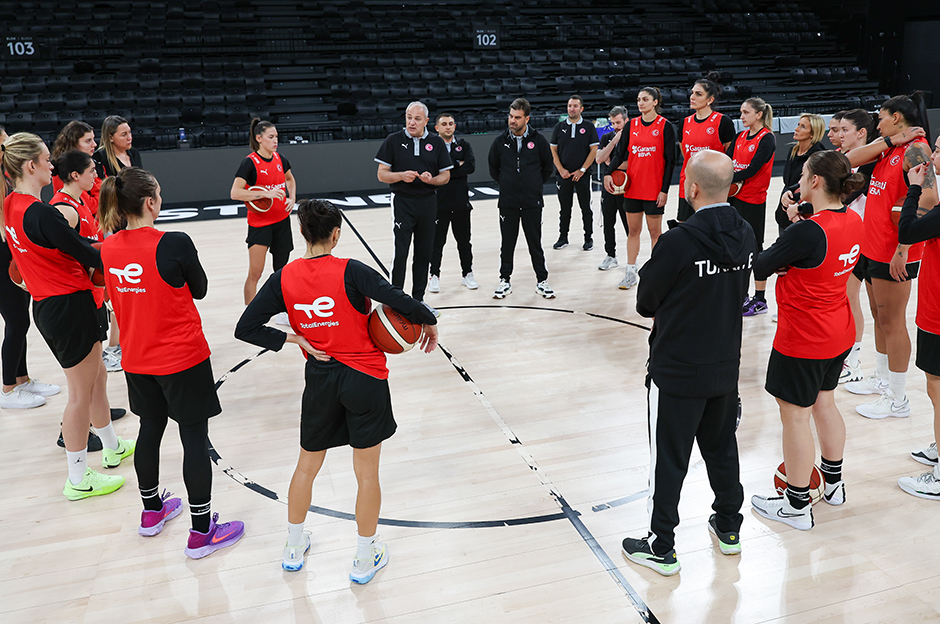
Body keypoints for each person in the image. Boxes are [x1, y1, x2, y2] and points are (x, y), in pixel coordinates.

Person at [234, 199, 438, 581]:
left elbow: (245, 328)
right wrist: (427, 320)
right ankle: (364, 557)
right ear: (336, 234)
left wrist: (297, 340)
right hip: (365, 380)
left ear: (301, 232)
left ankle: (294, 546)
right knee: (366, 474)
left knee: (306, 467)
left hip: (321, 379)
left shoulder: (284, 277)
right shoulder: (352, 270)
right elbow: (398, 298)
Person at [99, 166, 244, 559]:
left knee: (150, 428)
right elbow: (200, 289)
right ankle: (201, 533)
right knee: (194, 438)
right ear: (150, 202)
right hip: (182, 357)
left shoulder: (108, 247)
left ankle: (151, 512)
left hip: (137, 359)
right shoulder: (175, 242)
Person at [621, 150, 755, 576]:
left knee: (669, 459)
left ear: (691, 188)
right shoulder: (747, 231)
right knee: (721, 449)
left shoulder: (677, 241)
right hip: (724, 367)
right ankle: (729, 529)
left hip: (677, 370)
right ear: (730, 188)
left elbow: (645, 303)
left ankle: (661, 547)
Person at [1, 132, 133, 500]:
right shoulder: (42, 213)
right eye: (46, 160)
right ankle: (78, 478)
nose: (51, 165)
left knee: (96, 380)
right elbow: (89, 255)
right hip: (67, 305)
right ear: (31, 166)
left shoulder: (10, 204)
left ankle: (111, 446)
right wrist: (132, 243)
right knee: (79, 393)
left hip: (52, 305)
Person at [750, 151, 866, 530]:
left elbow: (762, 264)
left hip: (804, 336)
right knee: (825, 403)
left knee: (795, 416)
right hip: (839, 330)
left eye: (803, 175)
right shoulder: (853, 219)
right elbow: (813, 252)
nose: (798, 181)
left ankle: (797, 505)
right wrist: (797, 227)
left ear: (815, 181)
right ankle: (834, 485)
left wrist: (790, 234)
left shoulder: (807, 231)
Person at [843, 93, 937, 419]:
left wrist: (904, 248)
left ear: (897, 116)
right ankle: (883, 380)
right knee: (879, 317)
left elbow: (928, 198)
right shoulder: (894, 145)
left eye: (881, 118)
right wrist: (888, 139)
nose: (876, 123)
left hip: (895, 251)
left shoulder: (917, 149)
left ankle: (898, 399)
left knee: (893, 323)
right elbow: (848, 159)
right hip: (874, 246)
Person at [0, 125, 60, 410]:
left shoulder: (10, 182)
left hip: (11, 255)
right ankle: (8, 388)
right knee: (17, 322)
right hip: (2, 259)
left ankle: (22, 379)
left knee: (20, 319)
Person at [375, 102, 453, 316]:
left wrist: (432, 180)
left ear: (427, 121)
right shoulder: (393, 140)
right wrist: (400, 176)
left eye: (417, 119)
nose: (412, 122)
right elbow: (382, 174)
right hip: (403, 201)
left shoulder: (436, 143)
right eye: (409, 117)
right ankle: (395, 300)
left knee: (423, 253)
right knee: (401, 253)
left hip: (428, 202)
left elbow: (446, 176)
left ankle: (418, 299)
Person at [897, 144, 940, 499]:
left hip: (938, 314)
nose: (931, 156)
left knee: (939, 391)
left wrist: (913, 188)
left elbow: (908, 231)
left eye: (938, 150)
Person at [604, 87, 677, 290]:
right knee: (633, 232)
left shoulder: (665, 126)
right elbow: (619, 154)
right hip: (633, 188)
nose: (640, 103)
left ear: (655, 102)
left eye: (645, 99)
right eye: (638, 100)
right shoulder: (632, 125)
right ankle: (630, 272)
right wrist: (608, 172)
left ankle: (656, 273)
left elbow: (671, 161)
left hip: (654, 189)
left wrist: (664, 190)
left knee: (656, 233)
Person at [230, 118, 297, 324]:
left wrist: (292, 198)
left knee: (281, 272)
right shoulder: (249, 162)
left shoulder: (281, 159)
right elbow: (235, 193)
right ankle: (250, 317)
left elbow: (290, 179)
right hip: (260, 225)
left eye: (276, 137)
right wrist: (264, 195)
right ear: (259, 139)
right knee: (255, 273)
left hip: (282, 222)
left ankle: (282, 312)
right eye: (271, 137)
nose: (275, 140)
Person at [488, 98, 555, 299]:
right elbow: (493, 168)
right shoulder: (500, 141)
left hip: (532, 201)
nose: (512, 121)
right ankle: (505, 281)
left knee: (535, 242)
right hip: (508, 202)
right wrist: (508, 183)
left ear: (527, 118)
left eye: (517, 117)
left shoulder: (539, 140)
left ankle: (542, 281)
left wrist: (532, 185)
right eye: (510, 116)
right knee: (507, 243)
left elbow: (547, 168)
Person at [836, 109, 877, 384]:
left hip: (863, 239)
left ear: (861, 133)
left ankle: (853, 362)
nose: (838, 135)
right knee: (845, 299)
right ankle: (848, 357)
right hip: (847, 236)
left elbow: (847, 198)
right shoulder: (847, 162)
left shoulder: (870, 161)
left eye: (844, 130)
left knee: (851, 299)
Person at [730, 97, 777, 316]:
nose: (741, 117)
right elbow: (729, 161)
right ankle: (741, 295)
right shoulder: (740, 136)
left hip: (754, 200)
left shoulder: (767, 139)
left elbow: (752, 169)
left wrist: (727, 178)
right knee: (736, 247)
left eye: (745, 112)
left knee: (755, 248)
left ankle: (760, 298)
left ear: (758, 114)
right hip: (735, 198)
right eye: (741, 112)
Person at [427, 112, 477, 293]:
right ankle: (434, 276)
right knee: (437, 243)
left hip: (461, 203)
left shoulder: (464, 145)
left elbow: (470, 166)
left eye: (451, 123)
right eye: (444, 124)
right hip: (438, 204)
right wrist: (457, 165)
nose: (448, 126)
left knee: (464, 242)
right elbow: (431, 170)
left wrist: (446, 168)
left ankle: (467, 274)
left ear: (455, 126)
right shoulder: (431, 146)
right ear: (436, 128)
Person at [676, 75, 736, 222]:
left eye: (698, 94)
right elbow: (686, 155)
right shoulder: (684, 123)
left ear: (710, 100)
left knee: (713, 231)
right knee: (686, 229)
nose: (692, 97)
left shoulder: (723, 122)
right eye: (692, 93)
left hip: (713, 188)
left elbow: (729, 157)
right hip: (689, 185)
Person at [550, 95, 599, 251]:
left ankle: (588, 238)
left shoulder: (588, 127)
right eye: (570, 105)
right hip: (564, 175)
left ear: (581, 108)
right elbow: (553, 150)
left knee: (586, 207)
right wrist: (561, 169)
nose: (572, 108)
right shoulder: (559, 127)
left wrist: (582, 169)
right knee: (565, 208)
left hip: (583, 175)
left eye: (575, 106)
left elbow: (594, 150)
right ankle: (563, 238)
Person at [776, 114, 826, 233]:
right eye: (798, 125)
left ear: (812, 134)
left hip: (803, 209)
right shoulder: (793, 150)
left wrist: (793, 198)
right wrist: (785, 195)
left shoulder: (818, 155)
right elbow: (787, 181)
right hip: (787, 202)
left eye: (803, 127)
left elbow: (814, 186)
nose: (796, 129)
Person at [594, 106, 630, 274]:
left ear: (626, 120)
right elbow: (599, 159)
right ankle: (611, 255)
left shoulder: (632, 139)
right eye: (613, 123)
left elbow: (632, 164)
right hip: (608, 187)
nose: (615, 126)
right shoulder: (607, 137)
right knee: (608, 223)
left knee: (630, 225)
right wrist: (614, 142)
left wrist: (612, 163)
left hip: (627, 188)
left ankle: (632, 259)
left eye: (618, 122)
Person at [51, 121, 101, 213]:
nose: (94, 144)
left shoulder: (92, 163)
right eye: (88, 141)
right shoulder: (64, 170)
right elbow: (93, 206)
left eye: (93, 139)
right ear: (73, 144)